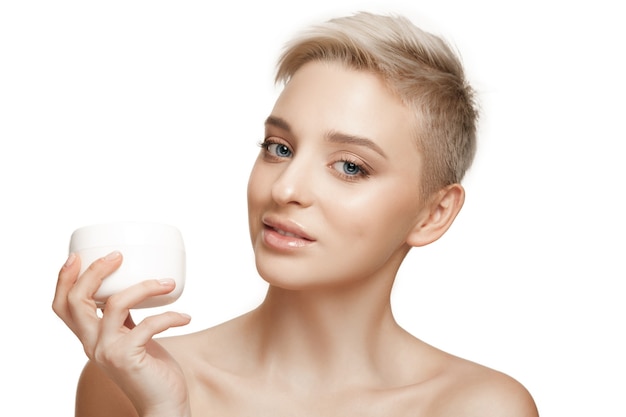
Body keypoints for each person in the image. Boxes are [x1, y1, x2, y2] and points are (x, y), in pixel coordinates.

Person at [53, 11, 538, 417]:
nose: (284, 188)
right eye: (279, 147)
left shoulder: (478, 407)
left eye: (350, 166)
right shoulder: (127, 376)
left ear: (433, 214)